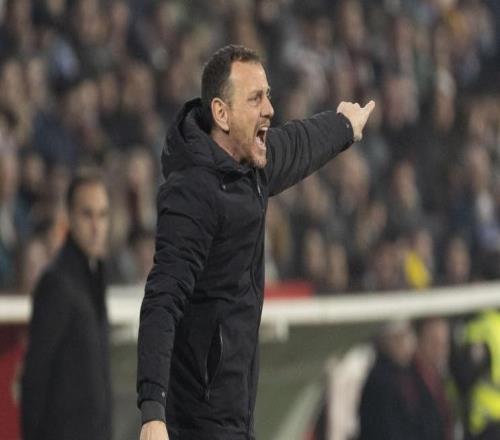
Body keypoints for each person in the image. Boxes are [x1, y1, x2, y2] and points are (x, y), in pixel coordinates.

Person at [137, 44, 374, 440]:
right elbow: (163, 299)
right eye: (255, 98)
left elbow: (297, 144)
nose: (270, 109)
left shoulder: (250, 169)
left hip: (235, 413)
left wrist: (344, 126)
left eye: (268, 95)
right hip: (196, 422)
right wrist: (152, 411)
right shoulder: (192, 193)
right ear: (221, 114)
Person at [21, 170, 112, 440]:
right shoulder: (56, 283)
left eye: (103, 215)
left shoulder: (96, 275)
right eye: (87, 215)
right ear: (69, 217)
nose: (96, 226)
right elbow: (35, 376)